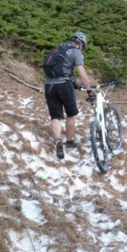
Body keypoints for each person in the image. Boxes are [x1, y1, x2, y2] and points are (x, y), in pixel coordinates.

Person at [44, 31, 95, 159]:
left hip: (49, 84)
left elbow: (63, 68)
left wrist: (75, 84)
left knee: (55, 116)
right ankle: (69, 142)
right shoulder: (76, 52)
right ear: (81, 44)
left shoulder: (59, 48)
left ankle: (58, 140)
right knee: (71, 114)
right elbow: (82, 74)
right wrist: (89, 91)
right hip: (64, 86)